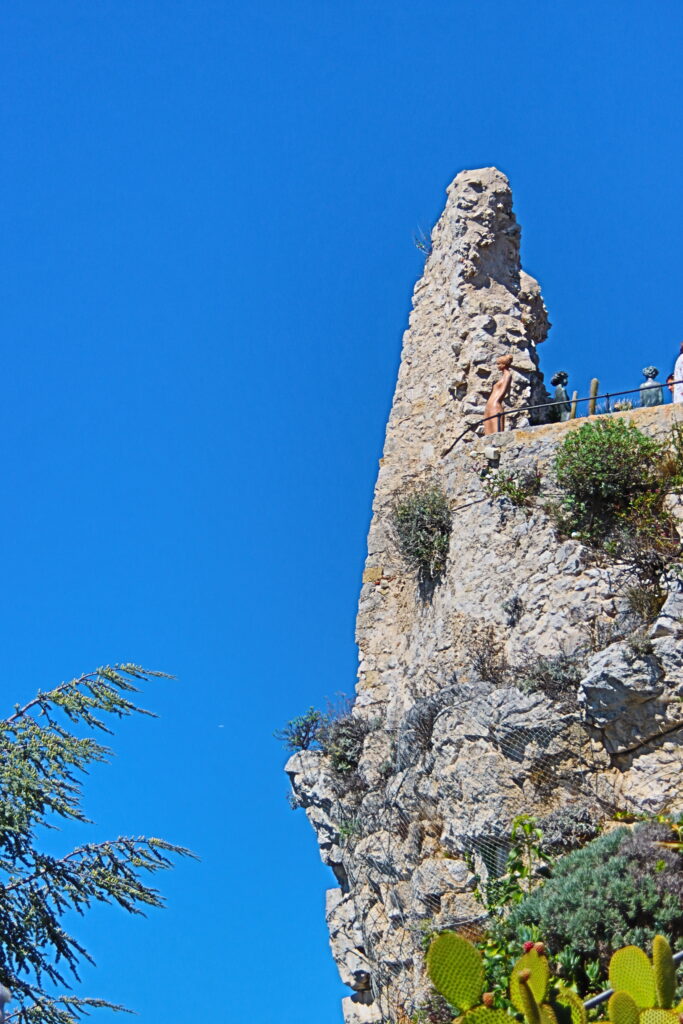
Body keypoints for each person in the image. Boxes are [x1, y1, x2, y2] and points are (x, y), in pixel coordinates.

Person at [483, 354, 513, 434]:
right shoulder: (503, 376)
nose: (497, 366)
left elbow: (503, 390)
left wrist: (496, 401)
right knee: (488, 431)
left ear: (504, 364)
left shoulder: (507, 375)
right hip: (490, 405)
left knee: (495, 431)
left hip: (495, 404)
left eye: (499, 364)